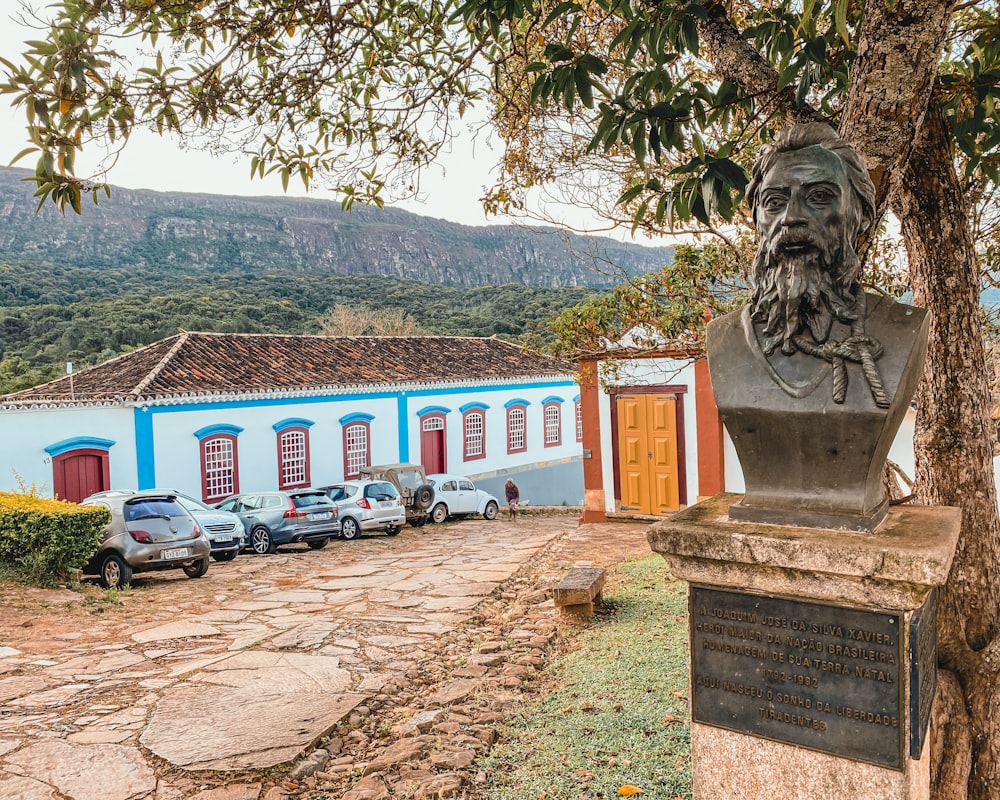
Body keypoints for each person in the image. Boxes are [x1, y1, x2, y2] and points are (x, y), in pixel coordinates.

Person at [706, 122, 929, 528]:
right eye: (775, 202)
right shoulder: (724, 340)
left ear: (859, 214)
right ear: (756, 219)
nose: (792, 218)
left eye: (820, 197)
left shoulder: (902, 330)